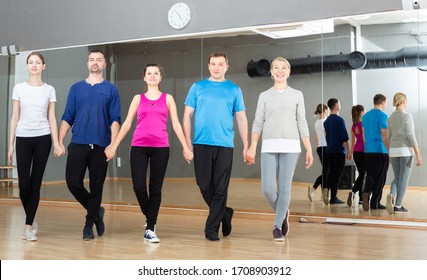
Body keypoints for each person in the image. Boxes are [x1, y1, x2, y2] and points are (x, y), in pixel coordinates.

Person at [105, 64, 193, 243]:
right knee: (138, 187)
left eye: (156, 73)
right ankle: (150, 216)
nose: (152, 76)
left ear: (160, 77)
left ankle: (150, 228)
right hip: (139, 147)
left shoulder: (168, 98)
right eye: (149, 73)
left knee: (155, 188)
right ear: (144, 78)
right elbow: (128, 124)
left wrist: (186, 147)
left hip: (161, 148)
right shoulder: (138, 99)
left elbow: (175, 124)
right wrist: (113, 146)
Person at [182, 52, 249, 241]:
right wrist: (187, 143)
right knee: (203, 185)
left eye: (220, 64)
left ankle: (211, 229)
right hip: (201, 143)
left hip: (225, 144)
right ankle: (225, 212)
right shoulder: (198, 87)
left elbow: (241, 118)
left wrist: (246, 145)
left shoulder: (234, 90)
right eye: (213, 64)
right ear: (209, 66)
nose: (216, 67)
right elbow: (187, 116)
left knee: (220, 188)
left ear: (227, 66)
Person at [246, 57, 313, 242]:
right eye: (276, 67)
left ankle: (277, 227)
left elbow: (302, 122)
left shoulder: (297, 95)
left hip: (291, 147)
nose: (280, 70)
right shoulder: (264, 96)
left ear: (289, 72)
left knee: (284, 188)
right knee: (268, 189)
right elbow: (258, 122)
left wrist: (308, 148)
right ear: (272, 72)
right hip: (268, 145)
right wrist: (252, 146)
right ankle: (282, 212)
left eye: (284, 67)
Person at [59, 50, 121, 240]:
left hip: (101, 146)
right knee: (73, 183)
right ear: (88, 64)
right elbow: (68, 116)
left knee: (96, 187)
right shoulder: (76, 88)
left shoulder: (111, 90)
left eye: (99, 60)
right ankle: (96, 211)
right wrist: (59, 141)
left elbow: (115, 119)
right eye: (92, 59)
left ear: (104, 65)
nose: (95, 62)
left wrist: (113, 145)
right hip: (78, 144)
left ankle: (88, 225)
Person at [8, 51, 63, 242]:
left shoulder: (50, 89)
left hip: (43, 138)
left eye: (37, 62)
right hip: (23, 137)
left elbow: (52, 118)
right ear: (27, 66)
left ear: (43, 66)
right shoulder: (19, 88)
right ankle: (31, 214)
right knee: (24, 185)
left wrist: (56, 143)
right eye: (30, 62)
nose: (34, 65)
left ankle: (28, 226)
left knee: (36, 182)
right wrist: (10, 144)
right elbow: (14, 117)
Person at [386, 92, 422, 214]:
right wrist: (418, 154)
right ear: (403, 102)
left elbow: (388, 137)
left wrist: (390, 151)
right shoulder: (407, 116)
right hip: (406, 151)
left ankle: (391, 195)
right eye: (406, 100)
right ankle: (398, 205)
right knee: (404, 179)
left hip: (393, 151)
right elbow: (411, 136)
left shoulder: (390, 118)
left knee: (397, 178)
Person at [362, 94, 389, 211]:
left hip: (368, 150)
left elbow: (363, 136)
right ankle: (375, 203)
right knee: (380, 177)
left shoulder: (365, 116)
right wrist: (389, 150)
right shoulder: (383, 116)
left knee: (370, 174)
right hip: (380, 150)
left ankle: (366, 192)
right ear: (383, 102)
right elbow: (384, 135)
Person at [323, 98, 352, 205]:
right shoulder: (340, 120)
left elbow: (327, 136)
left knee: (331, 173)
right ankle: (333, 197)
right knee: (337, 174)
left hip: (329, 150)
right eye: (339, 103)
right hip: (339, 151)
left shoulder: (326, 121)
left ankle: (326, 188)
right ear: (336, 105)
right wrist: (349, 150)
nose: (340, 105)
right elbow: (345, 138)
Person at [308, 103, 329, 202]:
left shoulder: (316, 123)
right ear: (325, 110)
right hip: (326, 148)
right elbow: (327, 137)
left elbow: (316, 139)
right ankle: (320, 192)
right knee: (327, 172)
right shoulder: (326, 122)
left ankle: (318, 192)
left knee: (326, 171)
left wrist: (318, 151)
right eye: (327, 110)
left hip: (320, 148)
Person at [347, 104, 366, 207]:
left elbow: (353, 141)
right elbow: (364, 139)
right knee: (363, 175)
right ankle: (360, 197)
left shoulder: (353, 126)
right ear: (361, 112)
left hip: (357, 153)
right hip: (364, 151)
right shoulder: (363, 124)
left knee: (362, 174)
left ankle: (355, 193)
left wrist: (351, 152)